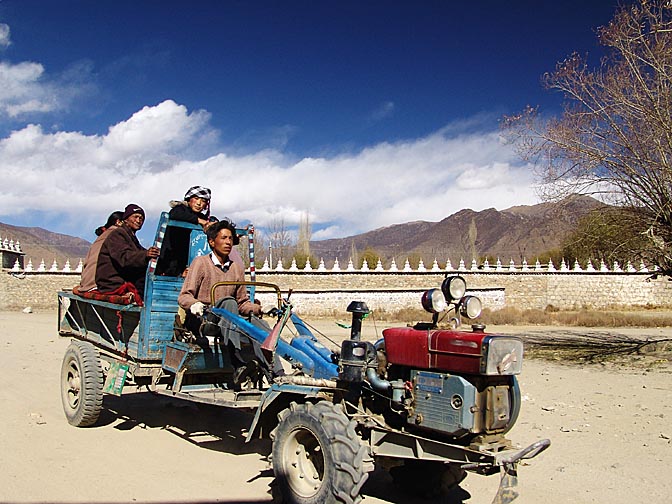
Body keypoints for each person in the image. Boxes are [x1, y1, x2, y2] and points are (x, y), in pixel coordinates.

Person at [177, 219, 270, 382]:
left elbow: (242, 303)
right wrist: (194, 304)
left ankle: (275, 374)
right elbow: (184, 296)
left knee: (260, 325)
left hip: (229, 321)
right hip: (206, 321)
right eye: (224, 238)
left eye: (230, 239)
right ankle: (236, 363)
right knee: (228, 302)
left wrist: (260, 309)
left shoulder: (236, 268)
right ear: (212, 242)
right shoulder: (200, 263)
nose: (228, 242)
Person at [156, 185, 244, 276]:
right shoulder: (180, 209)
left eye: (203, 201)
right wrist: (201, 221)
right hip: (170, 261)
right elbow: (175, 214)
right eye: (196, 198)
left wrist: (235, 237)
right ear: (189, 199)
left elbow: (216, 237)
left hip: (187, 262)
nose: (199, 203)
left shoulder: (204, 218)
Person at [94, 203, 160, 300]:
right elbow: (125, 257)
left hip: (122, 280)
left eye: (141, 219)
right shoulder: (117, 234)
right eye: (135, 217)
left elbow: (140, 252)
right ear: (126, 219)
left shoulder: (131, 237)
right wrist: (146, 255)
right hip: (112, 283)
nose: (138, 221)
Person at [77, 210, 124, 293]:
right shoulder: (116, 235)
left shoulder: (101, 237)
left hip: (86, 283)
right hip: (99, 284)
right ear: (118, 222)